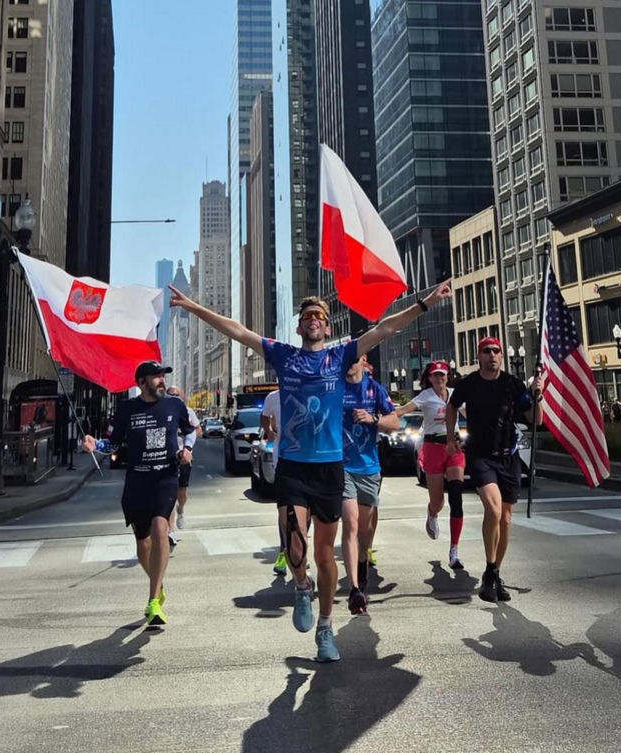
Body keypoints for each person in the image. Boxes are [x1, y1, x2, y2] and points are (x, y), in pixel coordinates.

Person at [170, 279, 452, 662]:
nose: (314, 320)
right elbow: (237, 330)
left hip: (330, 468)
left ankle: (325, 627)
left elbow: (385, 328)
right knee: (294, 544)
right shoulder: (285, 356)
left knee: (323, 554)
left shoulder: (339, 357)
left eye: (319, 316)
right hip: (294, 466)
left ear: (328, 326)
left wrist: (425, 303)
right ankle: (302, 586)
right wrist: (193, 307)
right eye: (307, 317)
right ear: (300, 327)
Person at [83, 361, 196, 626]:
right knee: (142, 544)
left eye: (162, 376)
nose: (161, 381)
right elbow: (112, 442)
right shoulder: (127, 409)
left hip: (165, 477)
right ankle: (158, 585)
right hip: (137, 480)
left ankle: (153, 601)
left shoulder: (174, 405)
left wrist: (186, 450)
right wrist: (95, 444)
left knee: (160, 529)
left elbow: (190, 432)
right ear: (141, 383)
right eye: (156, 377)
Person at [445, 337, 542, 604]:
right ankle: (489, 567)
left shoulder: (512, 385)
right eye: (487, 351)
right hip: (480, 456)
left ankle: (494, 573)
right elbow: (451, 405)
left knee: (507, 519)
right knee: (494, 508)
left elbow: (537, 419)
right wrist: (451, 436)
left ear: (502, 355)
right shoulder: (469, 383)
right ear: (479, 356)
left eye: (496, 351)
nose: (492, 356)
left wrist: (537, 395)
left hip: (507, 457)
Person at [395, 360, 467, 570]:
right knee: (438, 501)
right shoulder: (426, 396)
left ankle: (454, 550)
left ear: (448, 376)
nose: (439, 379)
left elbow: (472, 414)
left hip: (452, 446)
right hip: (433, 446)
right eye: (435, 375)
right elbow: (404, 410)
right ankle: (432, 513)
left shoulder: (455, 394)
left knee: (456, 495)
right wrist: (381, 414)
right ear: (430, 378)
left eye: (442, 375)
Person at [341, 354, 398, 614]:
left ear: (363, 360)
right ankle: (354, 589)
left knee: (364, 530)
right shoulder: (335, 387)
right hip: (341, 467)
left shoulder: (375, 389)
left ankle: (362, 567)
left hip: (368, 467)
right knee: (350, 522)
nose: (348, 364)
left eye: (353, 359)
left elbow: (394, 423)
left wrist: (373, 419)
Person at [166, 385, 201, 545]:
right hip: (167, 457)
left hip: (184, 457)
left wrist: (187, 446)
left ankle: (181, 511)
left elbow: (197, 430)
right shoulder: (162, 410)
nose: (174, 397)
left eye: (176, 395)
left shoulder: (188, 412)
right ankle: (171, 529)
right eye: (170, 395)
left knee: (181, 493)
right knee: (169, 494)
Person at [259, 388, 288, 577]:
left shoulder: (310, 389)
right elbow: (264, 416)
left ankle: (294, 548)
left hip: (309, 460)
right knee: (285, 510)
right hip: (283, 460)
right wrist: (268, 430)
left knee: (307, 514)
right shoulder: (273, 397)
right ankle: (284, 552)